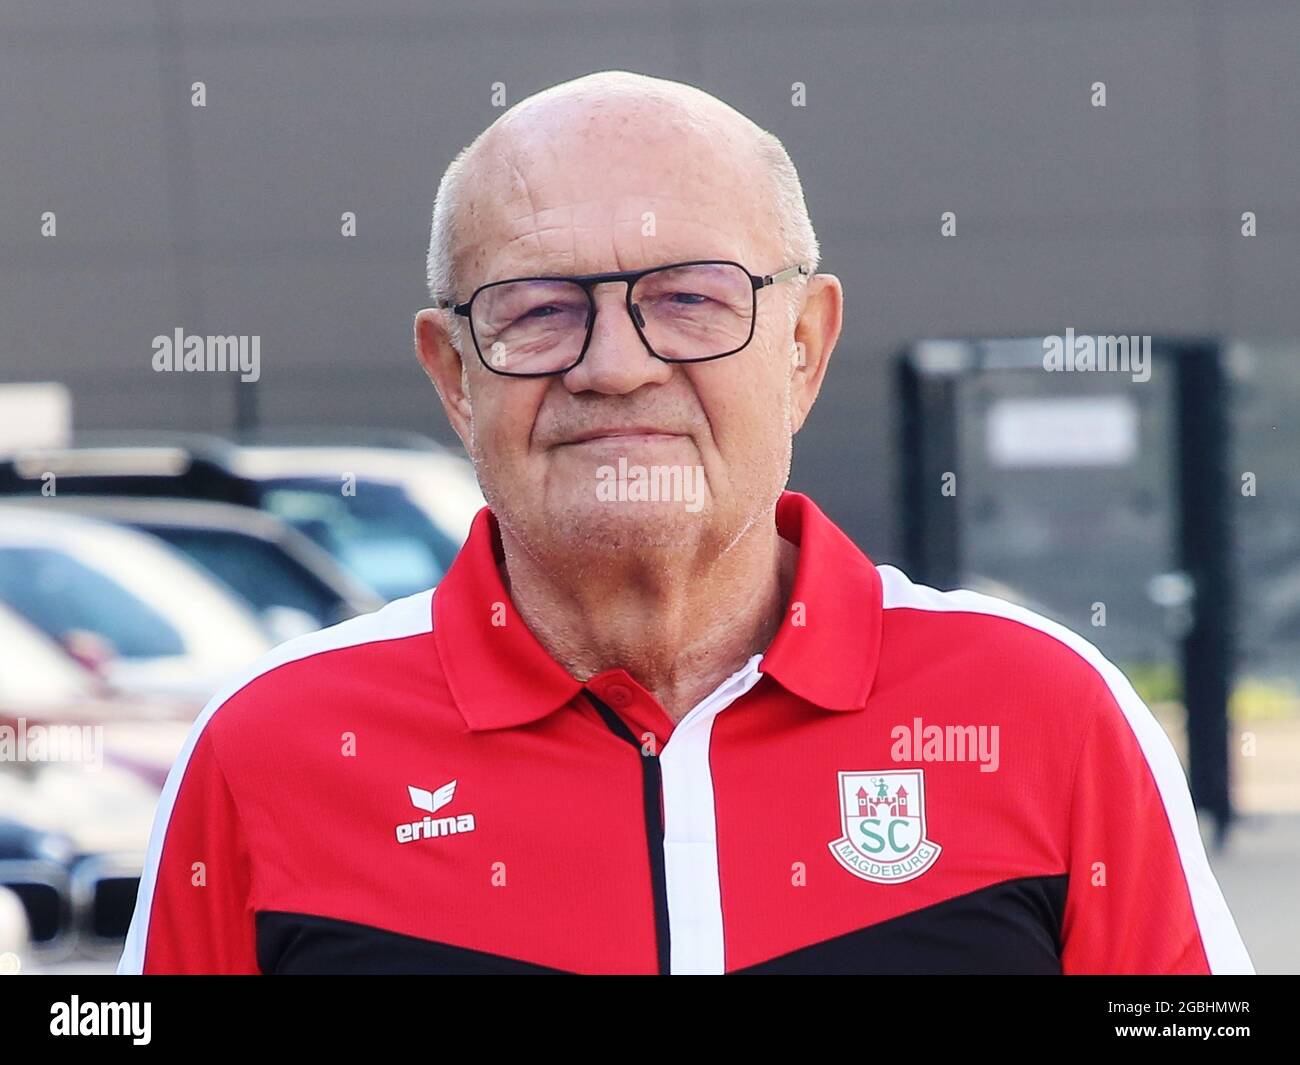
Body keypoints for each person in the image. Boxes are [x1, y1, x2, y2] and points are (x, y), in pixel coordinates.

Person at [118, 70, 1253, 975]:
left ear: (803, 345)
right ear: (454, 376)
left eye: (689, 300)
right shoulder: (267, 752)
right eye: (538, 310)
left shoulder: (1045, 714)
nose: (615, 367)